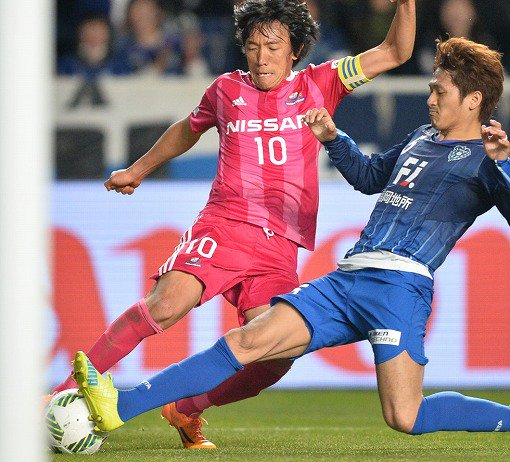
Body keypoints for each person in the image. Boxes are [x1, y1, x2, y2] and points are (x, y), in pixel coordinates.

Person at [73, 37, 510, 436]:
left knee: (405, 416)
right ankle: (121, 406)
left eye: (440, 91)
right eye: (432, 89)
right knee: (248, 341)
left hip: (400, 288)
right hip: (350, 278)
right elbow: (369, 177)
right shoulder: (422, 137)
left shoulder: (488, 159)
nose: (430, 98)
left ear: (473, 100)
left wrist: (504, 166)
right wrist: (334, 138)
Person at [53, 0, 417, 448]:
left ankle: (187, 408)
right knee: (166, 305)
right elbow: (188, 129)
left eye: (273, 46)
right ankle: (62, 393)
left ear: (294, 50)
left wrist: (406, 1)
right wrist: (138, 169)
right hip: (225, 225)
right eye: (253, 46)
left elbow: (395, 51)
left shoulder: (323, 82)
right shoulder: (226, 90)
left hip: (281, 246)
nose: (262, 57)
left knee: (275, 357)